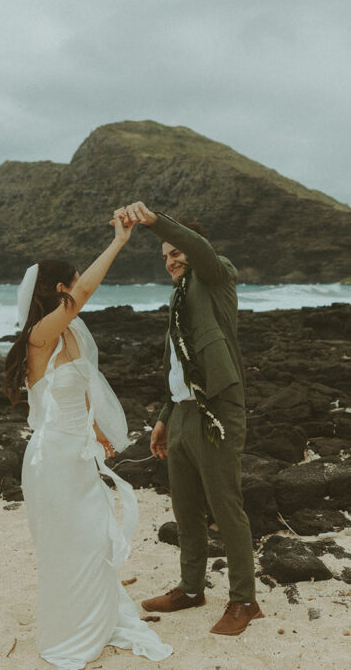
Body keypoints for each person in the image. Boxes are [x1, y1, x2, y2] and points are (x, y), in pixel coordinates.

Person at [2, 210, 173, 669]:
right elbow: (85, 292)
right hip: (53, 459)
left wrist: (98, 434)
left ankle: (95, 620)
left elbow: (73, 392)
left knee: (92, 540)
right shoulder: (40, 337)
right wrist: (118, 242)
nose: (81, 289)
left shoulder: (71, 333)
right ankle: (70, 632)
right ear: (62, 291)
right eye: (74, 284)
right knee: (69, 545)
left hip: (79, 454)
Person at [119, 201, 263, 636]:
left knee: (225, 506)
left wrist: (154, 222)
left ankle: (244, 600)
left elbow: (197, 248)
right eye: (164, 256)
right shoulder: (177, 298)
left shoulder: (216, 277)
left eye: (175, 251)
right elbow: (178, 366)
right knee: (185, 509)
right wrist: (164, 416)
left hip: (217, 411)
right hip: (182, 414)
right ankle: (191, 588)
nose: (170, 260)